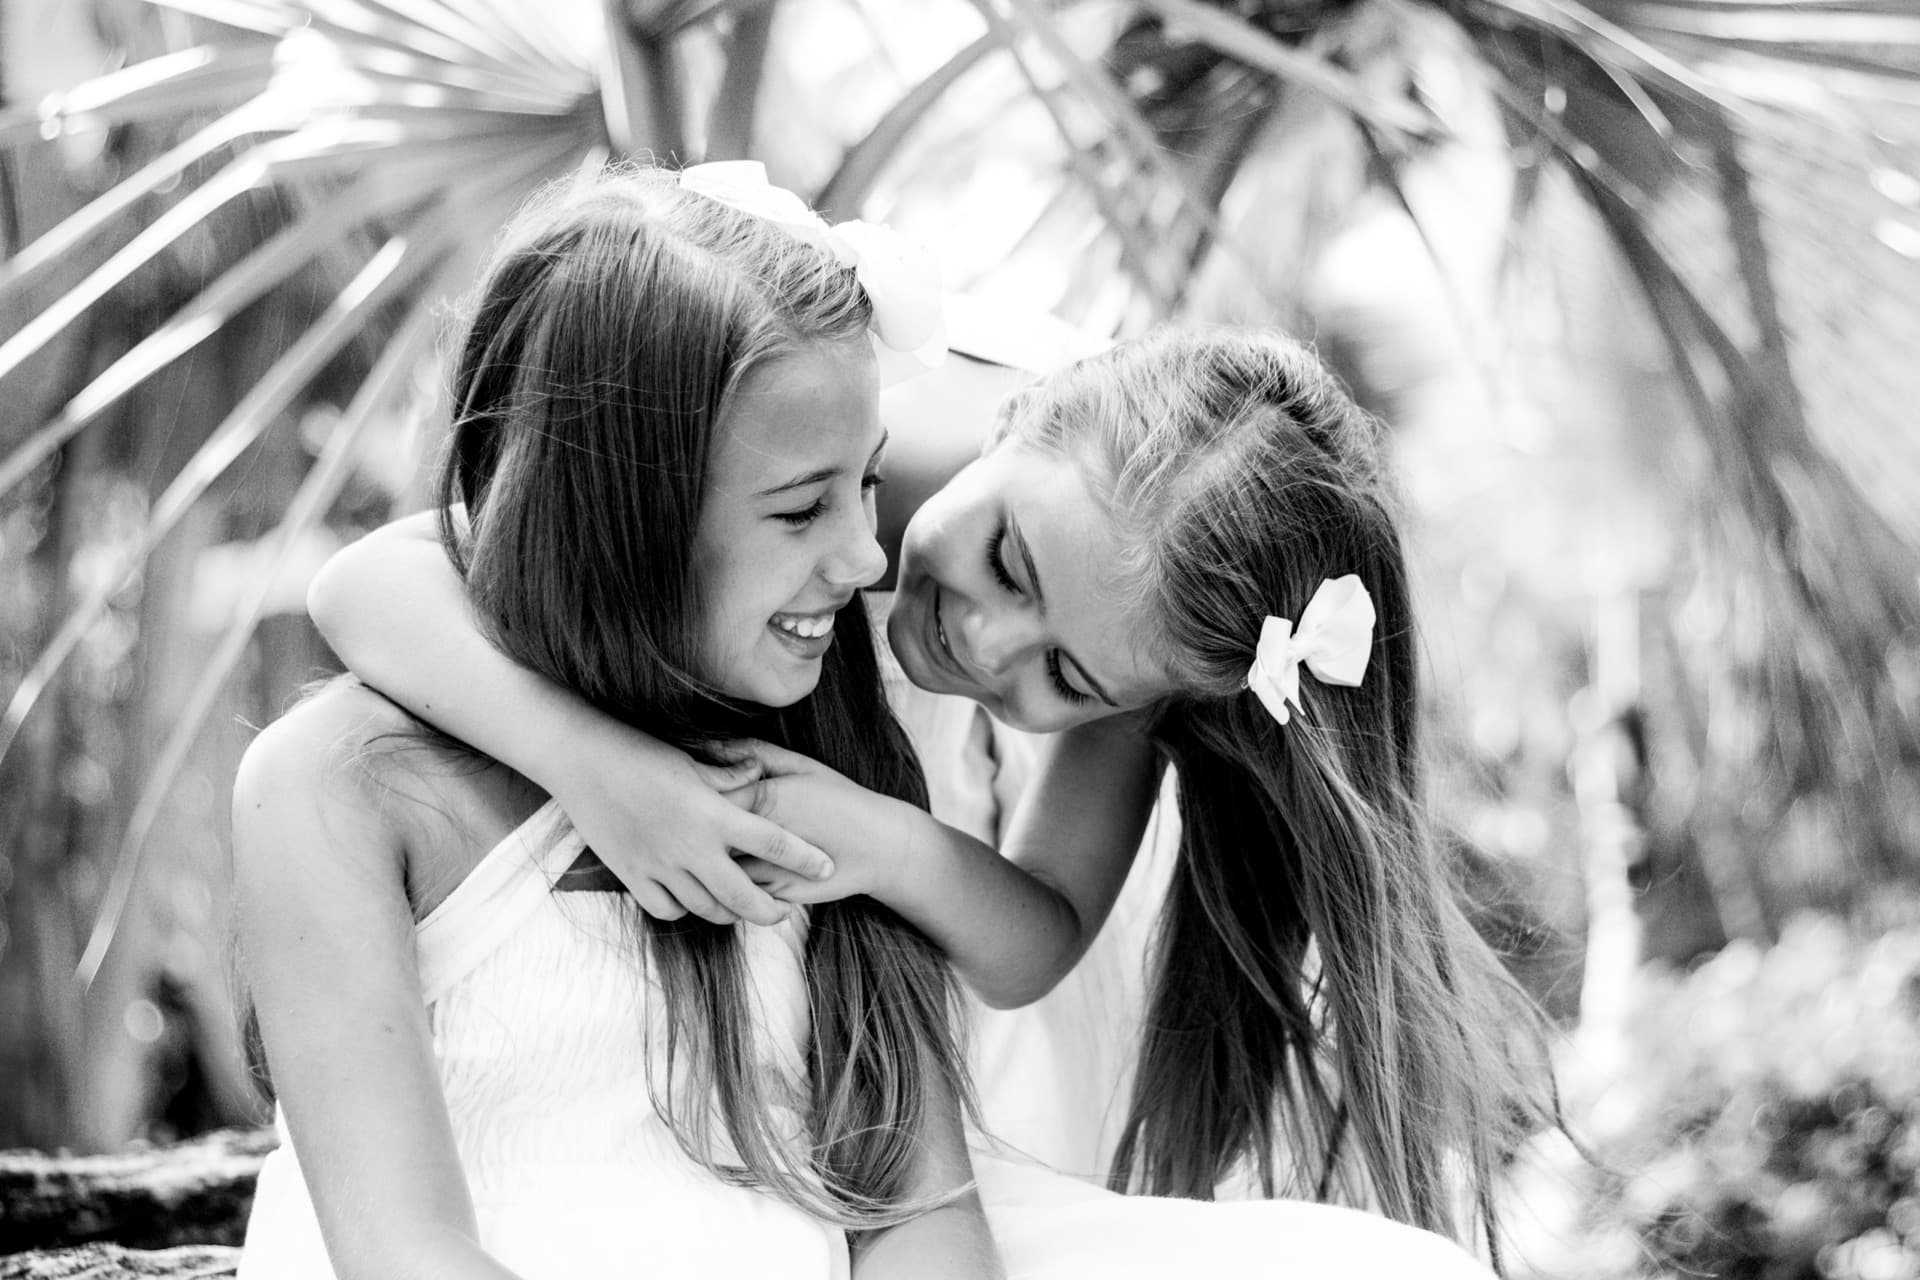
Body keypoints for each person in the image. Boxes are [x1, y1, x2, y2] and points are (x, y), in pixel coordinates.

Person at [306, 174, 1551, 1270]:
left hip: (924, 938)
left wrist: (881, 839)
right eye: (1007, 560)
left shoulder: (1136, 604)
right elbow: (365, 584)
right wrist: (596, 766)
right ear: (1020, 418)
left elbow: (1031, 941)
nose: (985, 643)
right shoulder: (828, 427)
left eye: (1069, 679)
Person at [233, 163, 991, 1280]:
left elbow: (922, 1210)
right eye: (798, 508)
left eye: (865, 485)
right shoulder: (340, 788)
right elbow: (405, 1251)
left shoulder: (828, 758)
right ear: (618, 518)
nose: (867, 556)